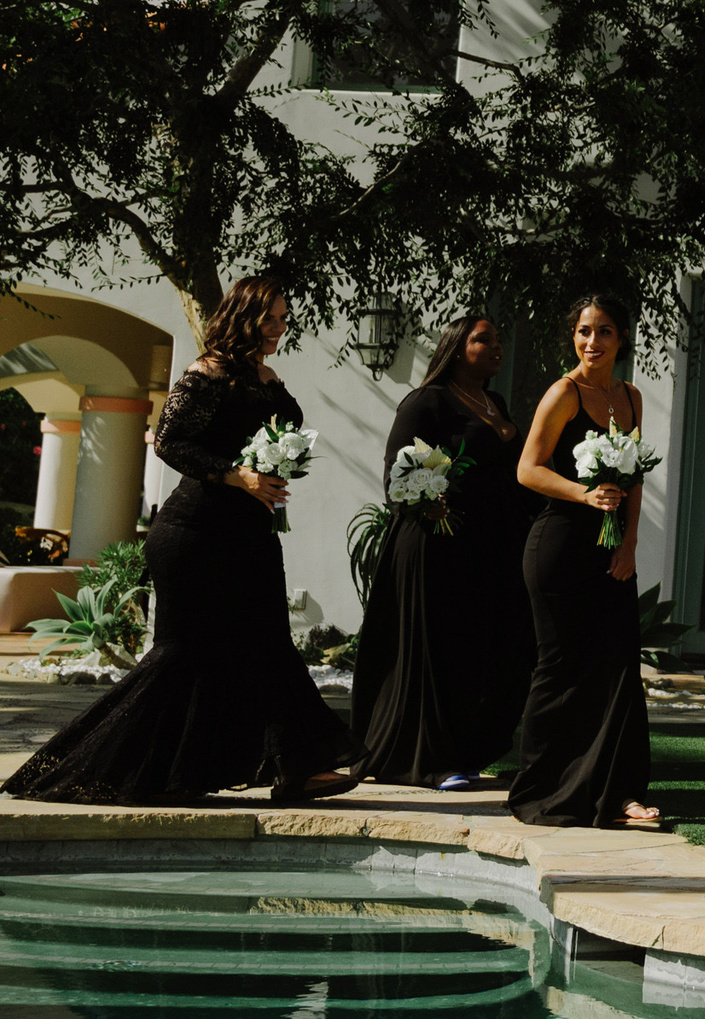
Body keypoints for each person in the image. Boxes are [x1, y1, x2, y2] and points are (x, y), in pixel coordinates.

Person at [5, 276, 358, 804]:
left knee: (269, 646)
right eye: (271, 319)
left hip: (251, 533)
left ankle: (296, 769)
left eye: (284, 319)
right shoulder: (206, 373)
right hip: (195, 535)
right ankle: (120, 771)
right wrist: (238, 475)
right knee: (183, 654)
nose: (280, 328)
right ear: (244, 317)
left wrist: (273, 468)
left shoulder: (267, 377)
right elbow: (169, 442)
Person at [351, 314, 539, 790]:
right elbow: (397, 477)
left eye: (497, 337)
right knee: (443, 652)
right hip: (436, 546)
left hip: (490, 550)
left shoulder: (494, 402)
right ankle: (431, 760)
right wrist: (428, 503)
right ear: (456, 349)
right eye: (484, 339)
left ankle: (469, 748)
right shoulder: (425, 402)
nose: (497, 345)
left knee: (491, 651)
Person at [509, 295, 658, 829]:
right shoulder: (563, 393)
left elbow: (634, 478)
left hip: (612, 549)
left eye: (605, 332)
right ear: (573, 336)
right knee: (561, 670)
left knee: (619, 667)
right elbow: (527, 469)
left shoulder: (632, 397)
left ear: (621, 339)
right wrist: (583, 494)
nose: (592, 343)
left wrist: (630, 543)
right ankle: (543, 790)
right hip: (558, 548)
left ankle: (620, 792)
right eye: (583, 332)